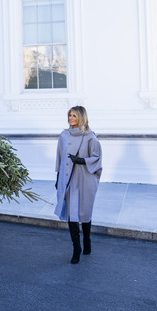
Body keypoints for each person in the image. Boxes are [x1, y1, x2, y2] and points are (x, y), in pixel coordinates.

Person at [54, 105, 102, 264]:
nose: (70, 119)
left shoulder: (90, 137)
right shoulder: (64, 135)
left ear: (81, 117)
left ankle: (87, 241)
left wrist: (81, 161)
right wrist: (58, 178)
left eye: (74, 116)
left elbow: (97, 158)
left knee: (84, 213)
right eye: (69, 116)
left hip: (84, 179)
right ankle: (77, 248)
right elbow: (59, 158)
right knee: (71, 214)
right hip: (68, 180)